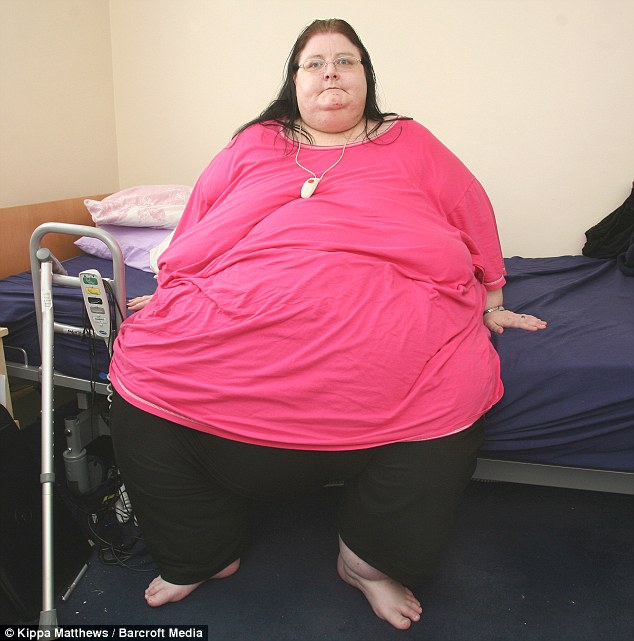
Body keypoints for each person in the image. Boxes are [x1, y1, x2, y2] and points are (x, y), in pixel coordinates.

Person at [109, 18, 547, 631]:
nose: (331, 73)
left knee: (453, 381)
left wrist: (491, 299)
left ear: (367, 77)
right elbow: (203, 219)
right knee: (144, 363)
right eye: (314, 63)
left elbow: (469, 211)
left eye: (346, 61)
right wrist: (173, 285)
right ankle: (199, 552)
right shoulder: (256, 143)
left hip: (398, 291)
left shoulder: (411, 141)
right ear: (294, 81)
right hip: (246, 282)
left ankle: (368, 562)